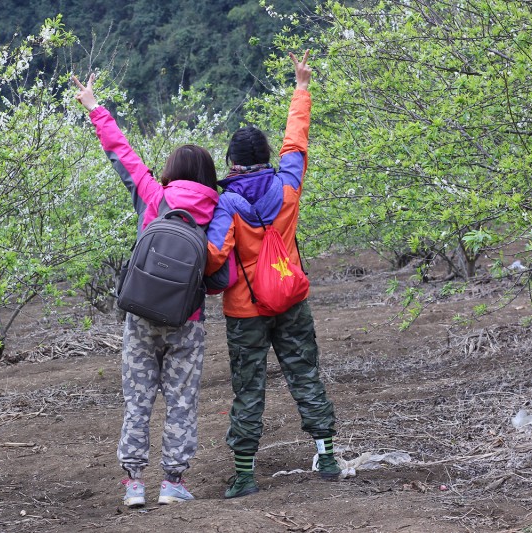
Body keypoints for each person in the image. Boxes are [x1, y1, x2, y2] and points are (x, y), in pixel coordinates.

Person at [72, 74, 219, 508]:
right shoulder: (217, 208)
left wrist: (94, 106)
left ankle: (134, 483)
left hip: (140, 313)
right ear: (210, 175)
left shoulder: (153, 195)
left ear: (171, 173)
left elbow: (123, 154)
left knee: (137, 398)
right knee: (181, 401)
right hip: (187, 320)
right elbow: (218, 270)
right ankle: (172, 482)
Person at [204, 51, 341, 499]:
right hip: (290, 296)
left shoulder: (225, 205)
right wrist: (301, 87)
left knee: (249, 387)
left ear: (231, 163)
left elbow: (212, 255)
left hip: (245, 311)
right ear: (266, 156)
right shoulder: (287, 185)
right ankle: (327, 455)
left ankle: (245, 475)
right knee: (304, 372)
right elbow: (296, 143)